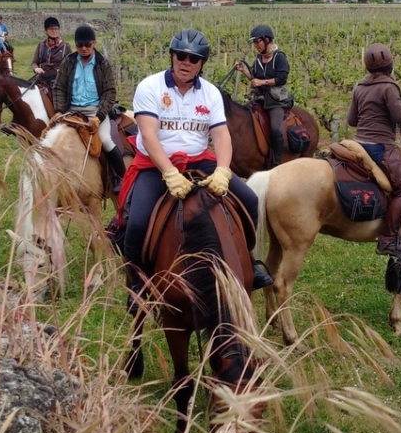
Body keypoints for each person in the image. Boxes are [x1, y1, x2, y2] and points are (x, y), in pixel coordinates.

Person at [123, 28, 273, 310]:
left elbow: (221, 136)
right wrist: (168, 173)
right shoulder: (150, 87)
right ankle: (137, 281)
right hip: (158, 164)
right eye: (181, 56)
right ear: (172, 56)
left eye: (194, 58)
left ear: (201, 63)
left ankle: (249, 260)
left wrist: (224, 170)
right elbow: (149, 134)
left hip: (198, 159)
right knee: (137, 223)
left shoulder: (210, 93)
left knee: (250, 200)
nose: (186, 62)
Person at [347, 43, 401, 258]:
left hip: (359, 143)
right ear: (390, 65)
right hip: (380, 146)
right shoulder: (389, 86)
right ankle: (388, 240)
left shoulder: (360, 87)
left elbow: (351, 120)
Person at [53, 24, 126, 193]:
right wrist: (58, 110)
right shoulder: (68, 62)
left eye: (87, 45)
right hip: (72, 110)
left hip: (95, 110)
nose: (84, 49)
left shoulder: (103, 64)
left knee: (106, 140)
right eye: (80, 45)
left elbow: (110, 92)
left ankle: (123, 177)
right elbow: (59, 88)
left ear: (94, 43)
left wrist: (99, 116)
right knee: (55, 139)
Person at [235, 25, 291, 168]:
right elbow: (255, 78)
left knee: (274, 128)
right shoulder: (259, 59)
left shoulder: (279, 57)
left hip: (276, 100)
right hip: (260, 98)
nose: (255, 45)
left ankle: (277, 160)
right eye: (254, 43)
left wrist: (263, 82)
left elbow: (281, 78)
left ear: (267, 40)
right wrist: (243, 71)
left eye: (257, 42)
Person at [32, 17, 71, 86]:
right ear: (45, 31)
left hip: (58, 77)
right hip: (43, 76)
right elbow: (34, 62)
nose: (54, 31)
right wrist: (36, 68)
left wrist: (62, 70)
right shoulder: (41, 45)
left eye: (56, 29)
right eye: (51, 29)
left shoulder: (65, 46)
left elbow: (71, 65)